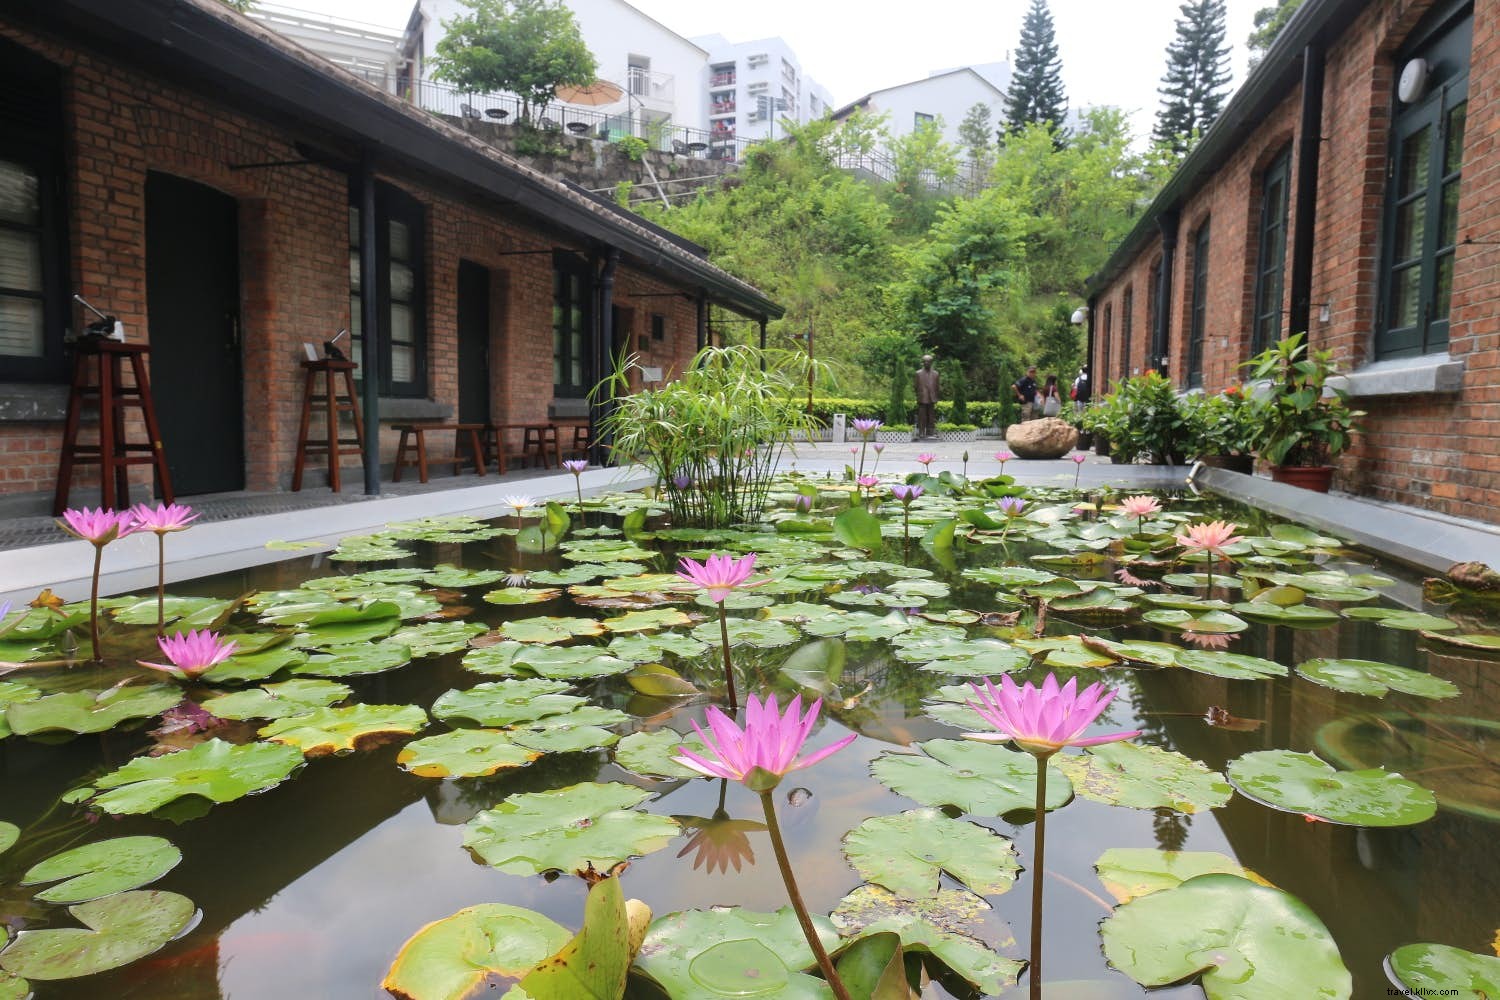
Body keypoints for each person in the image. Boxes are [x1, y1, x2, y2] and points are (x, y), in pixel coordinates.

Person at [914, 354, 940, 440]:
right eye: (924, 361)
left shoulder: (936, 374)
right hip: (922, 397)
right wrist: (919, 395)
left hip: (932, 397)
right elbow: (916, 386)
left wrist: (936, 397)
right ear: (922, 363)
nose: (926, 363)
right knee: (922, 416)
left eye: (928, 361)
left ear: (931, 363)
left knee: (931, 416)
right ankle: (921, 432)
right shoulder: (918, 373)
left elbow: (937, 387)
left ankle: (930, 432)